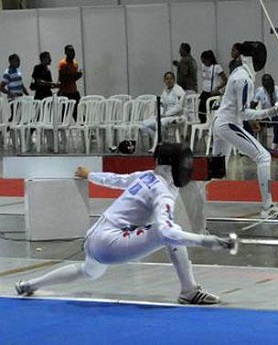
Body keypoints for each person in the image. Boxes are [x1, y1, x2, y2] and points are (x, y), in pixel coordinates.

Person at [15, 143, 239, 304]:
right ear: (173, 167)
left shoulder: (145, 176)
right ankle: (189, 291)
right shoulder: (163, 192)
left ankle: (30, 285)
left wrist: (91, 175)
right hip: (110, 242)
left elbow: (116, 180)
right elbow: (166, 231)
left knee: (89, 271)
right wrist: (210, 242)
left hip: (95, 236)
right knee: (170, 232)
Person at [210, 41, 278, 219]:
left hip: (223, 123)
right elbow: (244, 112)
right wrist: (271, 111)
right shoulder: (243, 78)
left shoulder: (240, 74)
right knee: (263, 157)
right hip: (228, 124)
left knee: (214, 170)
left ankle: (183, 201)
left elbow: (240, 109)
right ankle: (268, 207)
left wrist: (254, 118)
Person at [140, 71, 186, 152]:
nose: (169, 81)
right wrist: (160, 114)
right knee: (145, 124)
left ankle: (155, 148)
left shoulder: (179, 91)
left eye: (171, 79)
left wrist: (166, 114)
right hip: (165, 116)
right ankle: (158, 143)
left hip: (177, 117)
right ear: (164, 80)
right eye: (167, 79)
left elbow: (179, 107)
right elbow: (161, 105)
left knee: (160, 123)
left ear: (174, 79)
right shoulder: (165, 91)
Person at [251, 73, 278, 150]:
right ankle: (258, 145)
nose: (269, 88)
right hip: (266, 115)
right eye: (266, 85)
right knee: (253, 120)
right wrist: (254, 116)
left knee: (277, 118)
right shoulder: (260, 91)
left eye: (270, 84)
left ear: (273, 82)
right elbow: (253, 105)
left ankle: (275, 144)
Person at [199, 50, 227, 123]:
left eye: (205, 61)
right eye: (202, 61)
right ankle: (203, 124)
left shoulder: (217, 67)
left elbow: (225, 80)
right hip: (204, 92)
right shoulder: (203, 66)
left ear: (210, 59)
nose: (204, 63)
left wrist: (217, 88)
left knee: (211, 111)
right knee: (201, 111)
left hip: (212, 92)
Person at [58, 45, 82, 121]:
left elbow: (74, 79)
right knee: (64, 114)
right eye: (70, 51)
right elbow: (62, 78)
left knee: (77, 113)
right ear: (65, 52)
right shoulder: (63, 64)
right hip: (65, 92)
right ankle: (61, 130)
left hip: (74, 92)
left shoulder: (75, 64)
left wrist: (78, 76)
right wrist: (74, 76)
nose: (72, 53)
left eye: (73, 51)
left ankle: (82, 129)